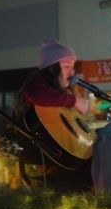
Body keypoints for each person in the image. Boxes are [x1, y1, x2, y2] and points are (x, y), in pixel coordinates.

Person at [11, 39, 92, 190]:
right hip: (43, 167)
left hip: (58, 164)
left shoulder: (61, 90)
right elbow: (38, 94)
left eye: (72, 67)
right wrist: (74, 101)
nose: (72, 72)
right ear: (52, 69)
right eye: (66, 66)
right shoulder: (37, 83)